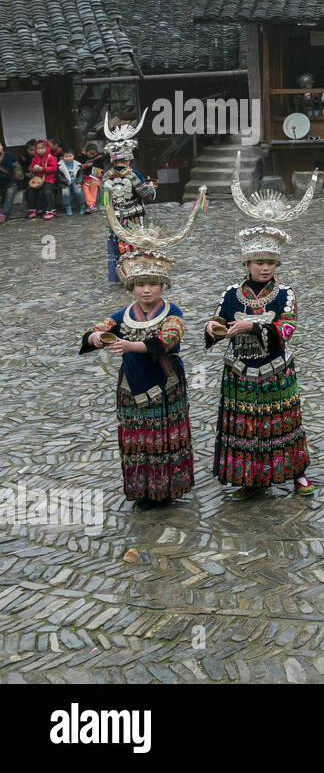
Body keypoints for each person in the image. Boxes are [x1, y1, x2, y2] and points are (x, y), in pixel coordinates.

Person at [80, 189, 206, 508]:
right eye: (139, 284)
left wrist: (129, 345)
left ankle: (166, 488)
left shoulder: (172, 312)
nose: (146, 289)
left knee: (163, 435)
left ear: (162, 285)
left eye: (152, 283)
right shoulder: (124, 314)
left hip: (165, 385)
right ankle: (142, 490)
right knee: (137, 437)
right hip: (132, 387)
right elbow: (99, 329)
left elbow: (167, 339)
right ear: (131, 287)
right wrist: (96, 338)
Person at [208, 158, 323, 500]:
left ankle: (296, 473)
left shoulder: (285, 293)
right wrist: (214, 327)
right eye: (258, 262)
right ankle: (250, 477)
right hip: (240, 370)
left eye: (270, 262)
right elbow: (216, 323)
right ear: (247, 263)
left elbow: (287, 329)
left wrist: (252, 326)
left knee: (283, 424)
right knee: (247, 427)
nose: (264, 267)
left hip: (275, 368)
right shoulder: (231, 293)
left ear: (277, 264)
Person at [100, 115, 156, 283]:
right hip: (135, 217)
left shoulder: (105, 177)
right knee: (137, 244)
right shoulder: (134, 175)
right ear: (128, 158)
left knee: (119, 246)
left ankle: (120, 275)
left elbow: (106, 200)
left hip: (115, 219)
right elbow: (146, 195)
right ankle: (139, 273)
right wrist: (152, 188)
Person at [26, 138, 57, 219]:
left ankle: (51, 209)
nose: (40, 151)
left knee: (47, 191)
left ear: (47, 148)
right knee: (30, 190)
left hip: (49, 178)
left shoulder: (51, 157)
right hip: (38, 179)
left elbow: (54, 169)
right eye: (38, 149)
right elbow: (31, 168)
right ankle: (33, 209)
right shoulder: (35, 158)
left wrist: (42, 169)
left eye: (42, 148)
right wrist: (34, 169)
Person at [56, 148, 85, 216]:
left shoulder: (77, 164)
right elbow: (58, 175)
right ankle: (68, 207)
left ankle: (82, 205)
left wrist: (79, 181)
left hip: (75, 181)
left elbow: (81, 174)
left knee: (78, 191)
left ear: (73, 156)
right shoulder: (60, 165)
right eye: (66, 156)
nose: (68, 158)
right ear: (62, 157)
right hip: (65, 182)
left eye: (70, 156)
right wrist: (65, 181)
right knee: (65, 192)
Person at [0, 145, 22, 223]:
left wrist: (17, 178)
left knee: (10, 192)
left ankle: (4, 213)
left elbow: (18, 170)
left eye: (0, 145)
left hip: (11, 182)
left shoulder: (9, 156)